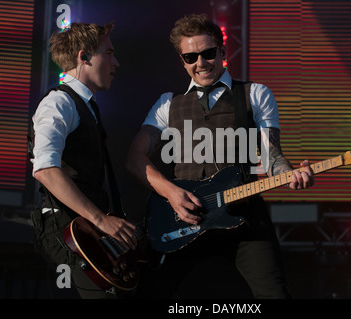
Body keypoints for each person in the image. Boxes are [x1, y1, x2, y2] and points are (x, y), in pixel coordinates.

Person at [126, 14, 314, 299]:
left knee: (274, 294)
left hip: (244, 213)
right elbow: (135, 158)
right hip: (184, 217)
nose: (200, 63)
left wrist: (289, 173)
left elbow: (270, 153)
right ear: (182, 60)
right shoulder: (167, 103)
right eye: (190, 57)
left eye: (208, 53)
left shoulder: (255, 94)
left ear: (223, 51)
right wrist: (173, 194)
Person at [29, 22, 138, 299]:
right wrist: (101, 220)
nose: (117, 61)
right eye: (109, 53)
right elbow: (45, 169)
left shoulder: (86, 105)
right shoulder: (59, 103)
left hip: (88, 233)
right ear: (84, 57)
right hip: (70, 236)